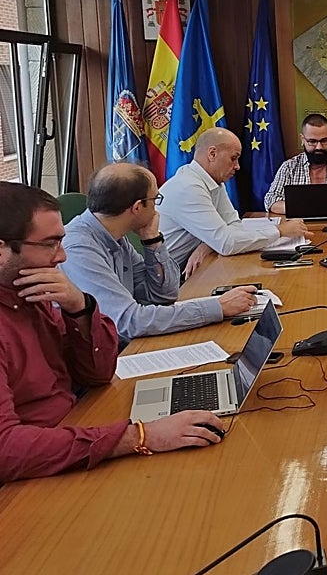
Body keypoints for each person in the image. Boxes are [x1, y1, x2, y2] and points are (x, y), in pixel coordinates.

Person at [0, 184, 224, 482]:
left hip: (72, 431)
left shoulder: (32, 291)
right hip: (33, 473)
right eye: (49, 244)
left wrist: (80, 308)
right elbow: (6, 451)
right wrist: (139, 436)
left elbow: (97, 374)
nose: (62, 257)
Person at [60, 162, 258, 343]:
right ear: (138, 207)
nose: (157, 207)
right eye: (156, 199)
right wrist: (218, 307)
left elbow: (164, 296)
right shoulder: (79, 248)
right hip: (100, 358)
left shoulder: (116, 236)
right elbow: (128, 322)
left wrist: (152, 240)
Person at [158, 127, 311, 277]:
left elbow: (234, 226)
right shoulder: (188, 187)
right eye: (233, 158)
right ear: (212, 154)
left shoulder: (212, 181)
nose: (237, 166)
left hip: (191, 269)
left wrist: (207, 245)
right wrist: (280, 231)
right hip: (169, 282)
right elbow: (227, 243)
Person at [264, 113, 327, 215]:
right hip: (299, 227)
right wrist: (301, 208)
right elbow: (271, 200)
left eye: (324, 140)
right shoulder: (289, 167)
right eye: (312, 141)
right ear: (302, 140)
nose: (319, 147)